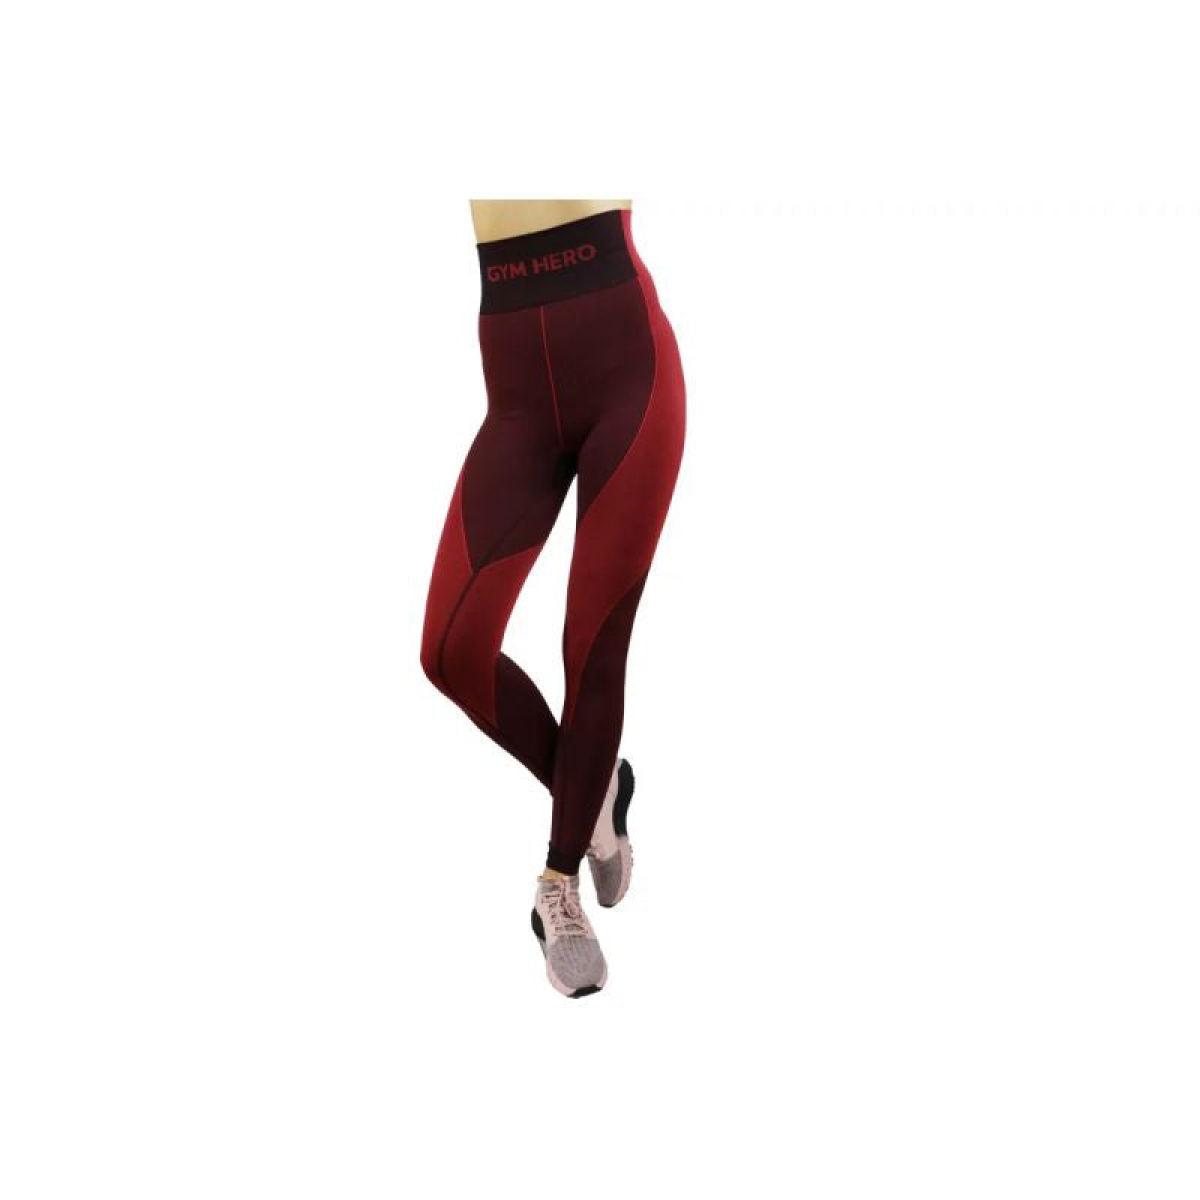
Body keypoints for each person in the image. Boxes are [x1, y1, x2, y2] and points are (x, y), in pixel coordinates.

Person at [420, 199, 686, 997]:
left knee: (593, 643)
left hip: (629, 372)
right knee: (450, 653)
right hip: (519, 400)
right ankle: (596, 788)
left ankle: (558, 882)